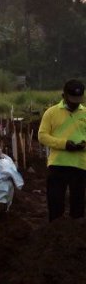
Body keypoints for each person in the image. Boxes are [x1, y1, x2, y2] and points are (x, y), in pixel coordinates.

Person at [38, 79, 86, 221]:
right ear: (63, 96)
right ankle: (54, 234)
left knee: (78, 206)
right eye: (71, 100)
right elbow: (42, 136)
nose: (75, 103)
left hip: (80, 165)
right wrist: (64, 144)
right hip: (58, 164)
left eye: (78, 100)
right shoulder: (51, 113)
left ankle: (76, 236)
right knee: (55, 203)